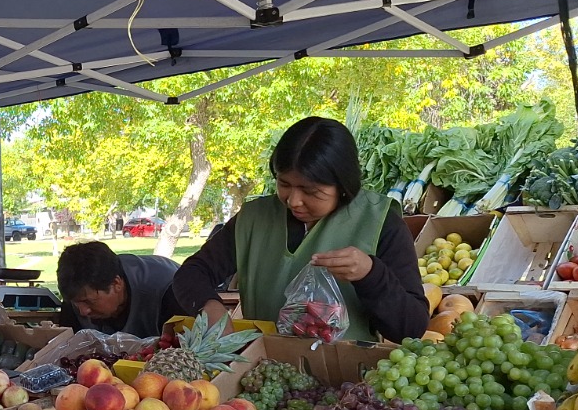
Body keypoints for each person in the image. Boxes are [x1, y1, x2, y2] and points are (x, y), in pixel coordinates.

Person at [171, 116, 429, 343]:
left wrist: (371, 274)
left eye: (310, 191)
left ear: (343, 185)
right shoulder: (254, 218)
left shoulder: (380, 222)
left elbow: (411, 328)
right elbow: (192, 273)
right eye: (284, 184)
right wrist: (209, 306)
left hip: (346, 382)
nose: (293, 200)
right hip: (261, 372)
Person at [57, 240, 185, 337]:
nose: (83, 311)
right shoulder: (76, 292)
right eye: (76, 302)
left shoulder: (170, 291)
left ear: (116, 284)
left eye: (89, 301)